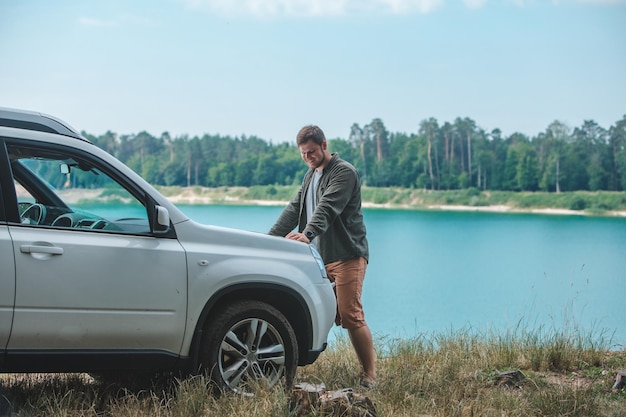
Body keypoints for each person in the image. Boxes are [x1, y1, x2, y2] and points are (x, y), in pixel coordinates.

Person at [268, 125, 376, 388]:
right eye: (304, 153)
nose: (308, 157)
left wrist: (307, 233)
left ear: (324, 145)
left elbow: (328, 207)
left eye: (312, 151)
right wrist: (268, 240)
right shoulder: (310, 175)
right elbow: (294, 208)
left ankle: (370, 375)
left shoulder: (343, 172)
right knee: (313, 311)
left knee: (350, 315)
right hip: (319, 259)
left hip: (347, 255)